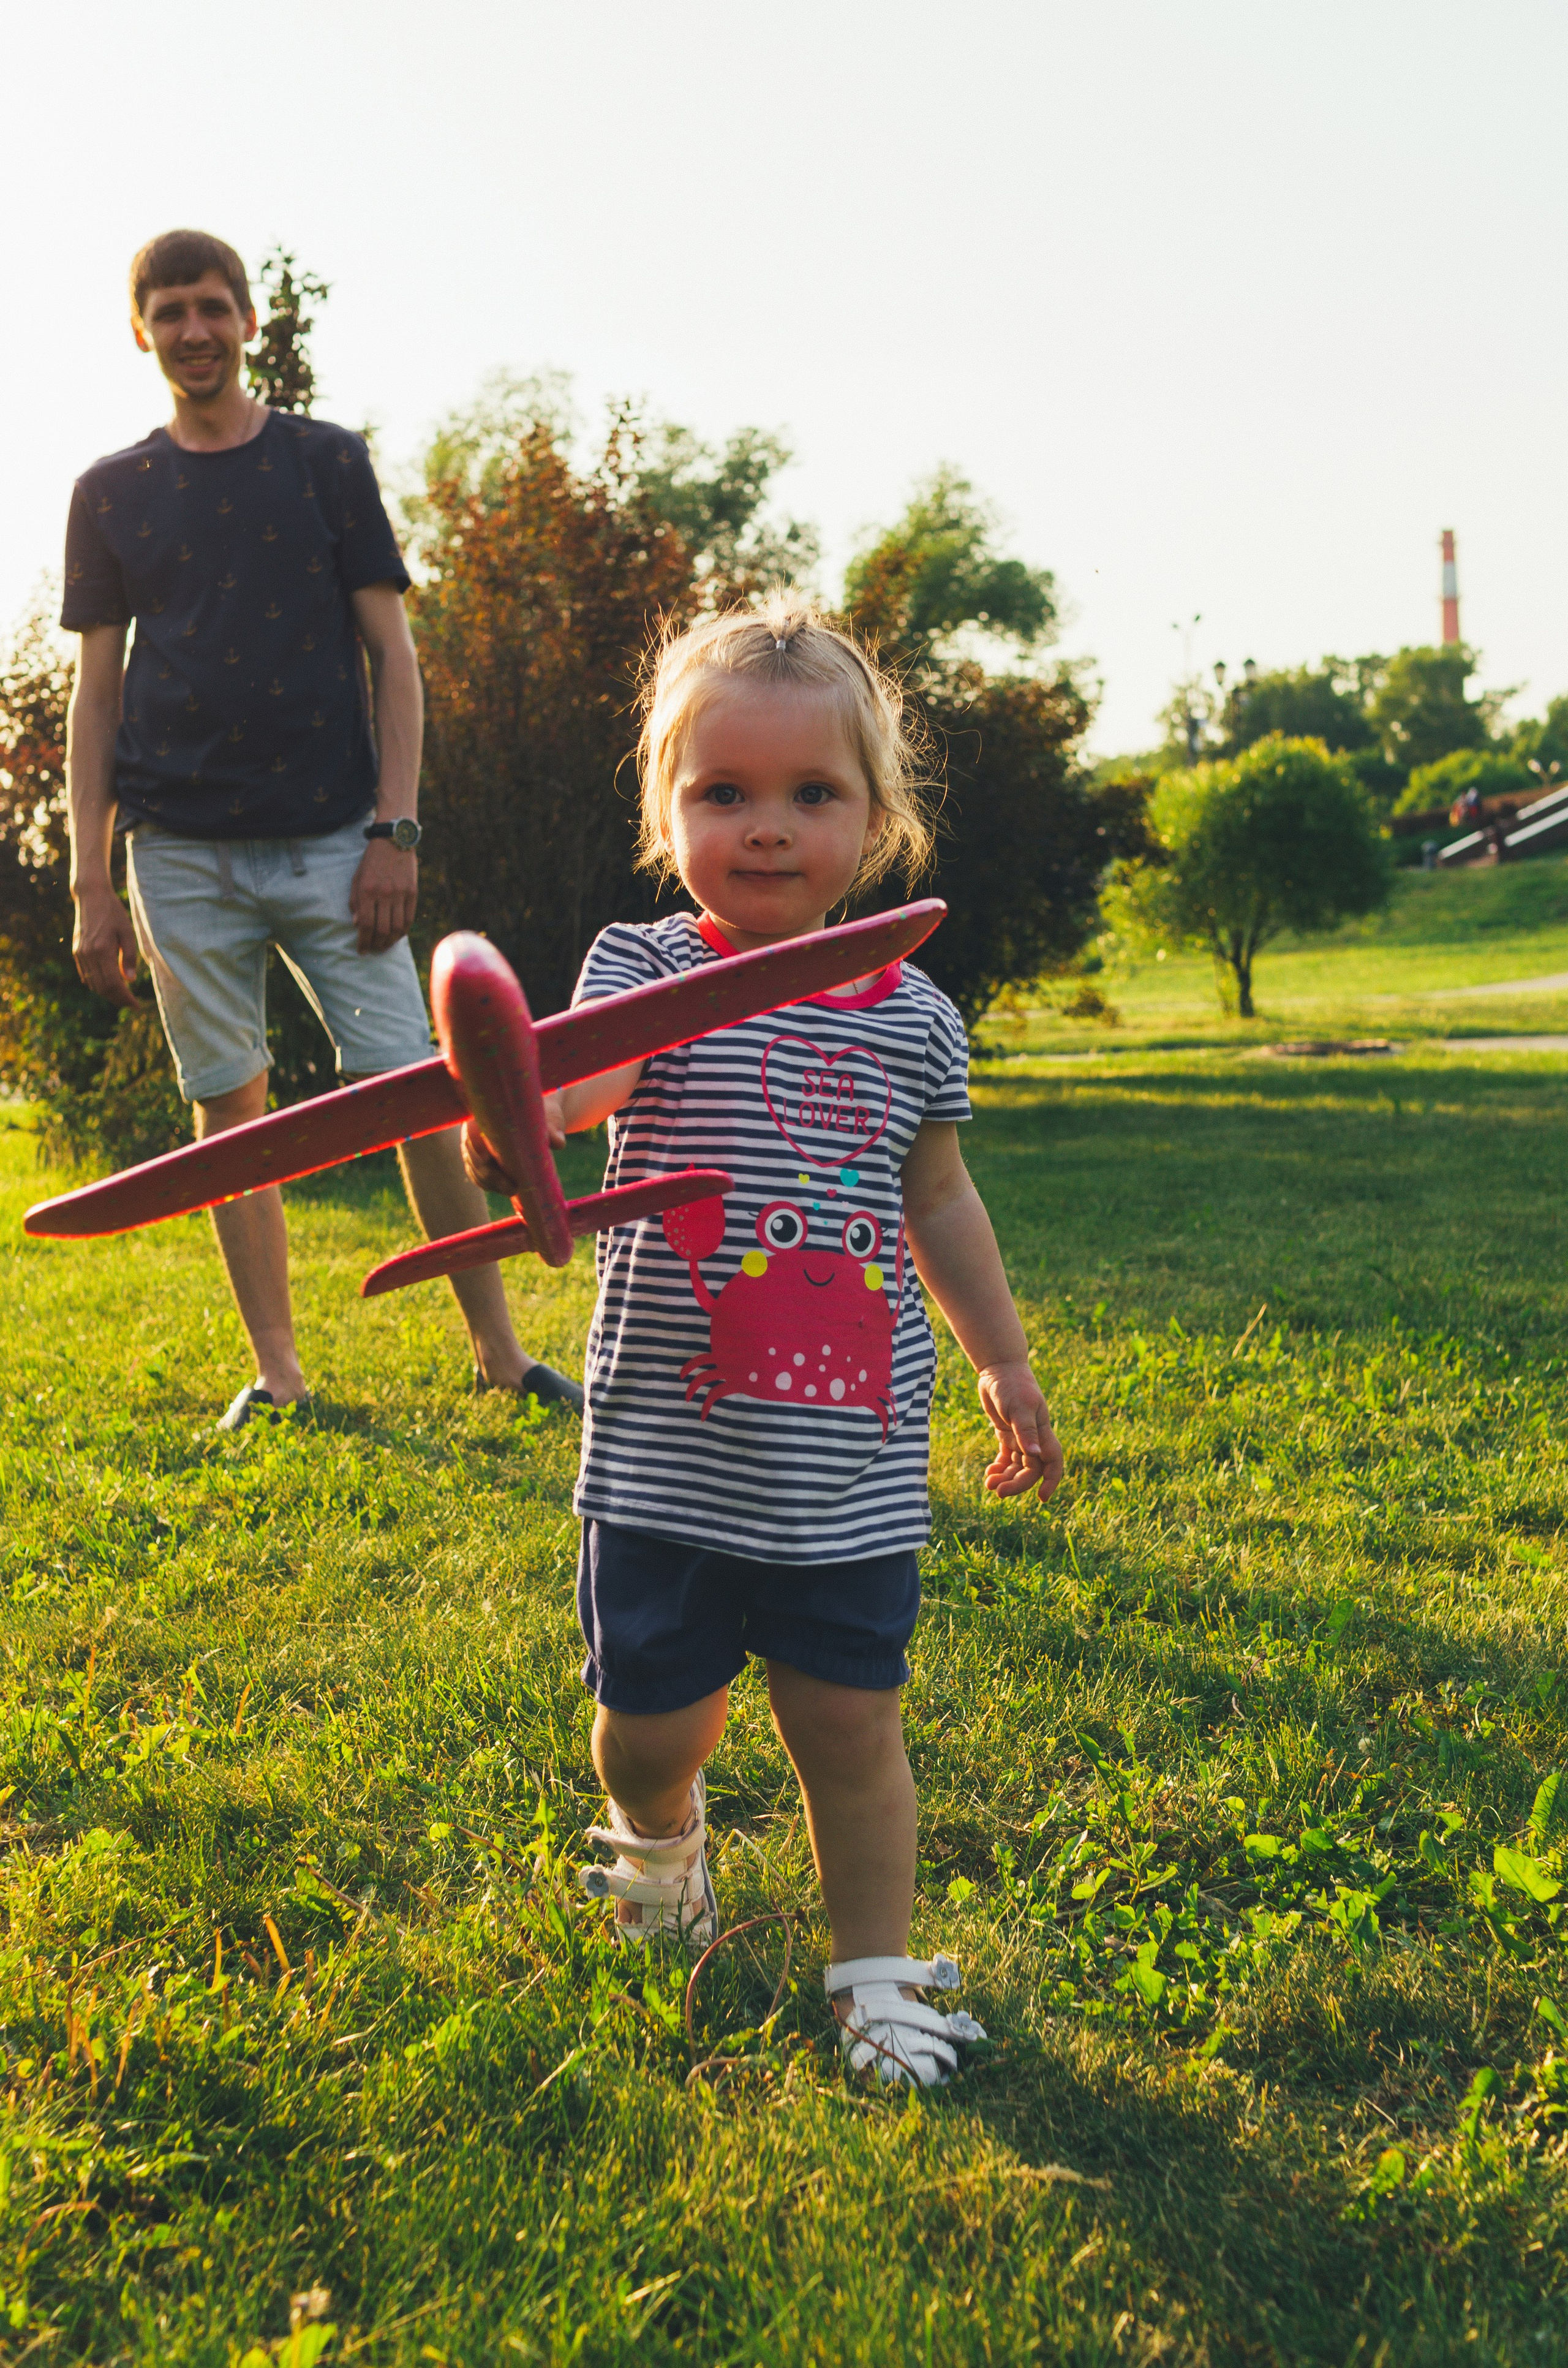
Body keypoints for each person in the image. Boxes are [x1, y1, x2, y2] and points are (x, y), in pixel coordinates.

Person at [465, 599, 1066, 2086]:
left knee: (852, 1727)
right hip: (672, 1456)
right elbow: (581, 1091)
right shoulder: (639, 965)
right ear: (669, 814)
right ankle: (662, 1840)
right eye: (721, 791)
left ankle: (870, 1974)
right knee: (645, 1733)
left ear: (874, 819)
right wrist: (522, 1120)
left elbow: (941, 1195)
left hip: (845, 1466)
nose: (768, 826)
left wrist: (999, 1359)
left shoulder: (917, 1015)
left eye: (813, 793)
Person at [62, 228, 581, 1428]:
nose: (193, 331)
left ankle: (500, 1356)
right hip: (176, 851)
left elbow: (391, 659)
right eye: (169, 312)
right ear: (140, 331)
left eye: (211, 307)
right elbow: (98, 696)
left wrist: (395, 830)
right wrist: (93, 883)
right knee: (228, 1105)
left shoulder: (324, 463)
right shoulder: (109, 492)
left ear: (248, 321)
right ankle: (281, 1376)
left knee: (414, 1084)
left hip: (335, 844)